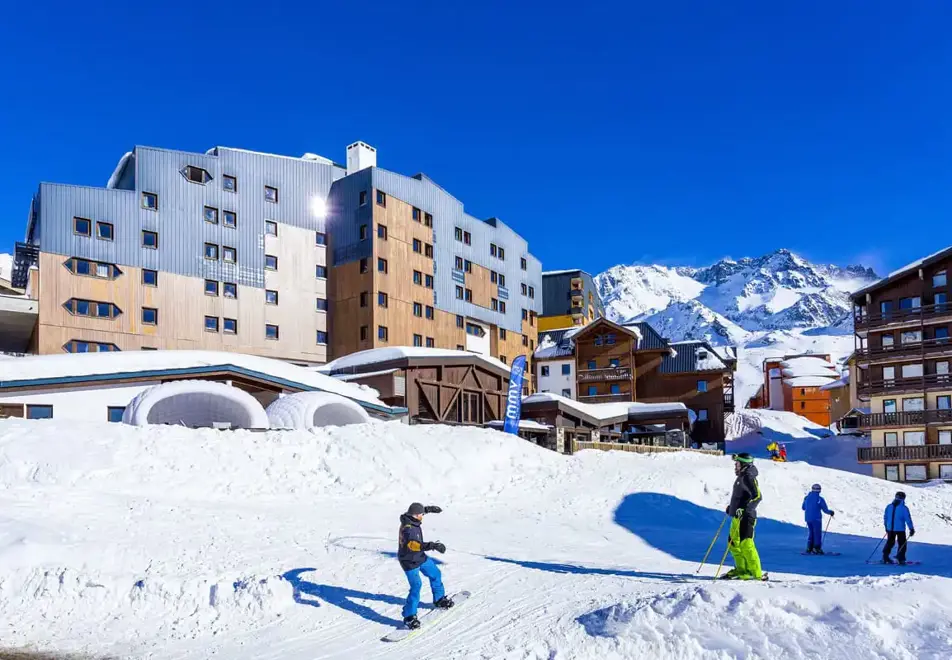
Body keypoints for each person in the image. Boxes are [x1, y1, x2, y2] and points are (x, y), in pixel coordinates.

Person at [398, 502, 454, 629]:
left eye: (423, 514)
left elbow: (415, 512)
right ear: (415, 515)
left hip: (419, 557)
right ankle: (409, 616)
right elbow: (414, 545)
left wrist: (427, 509)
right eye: (421, 514)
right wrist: (433, 545)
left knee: (435, 574)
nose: (422, 516)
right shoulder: (408, 529)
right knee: (416, 586)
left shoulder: (411, 518)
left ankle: (439, 599)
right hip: (409, 561)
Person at [724, 453, 764, 580]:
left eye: (737, 464)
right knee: (733, 543)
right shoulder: (741, 477)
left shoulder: (748, 477)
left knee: (746, 544)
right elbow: (741, 496)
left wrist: (745, 509)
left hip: (746, 517)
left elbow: (757, 496)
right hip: (737, 517)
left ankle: (756, 574)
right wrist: (732, 508)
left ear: (744, 464)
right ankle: (742, 570)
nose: (735, 466)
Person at [883, 491, 915, 565]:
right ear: (903, 498)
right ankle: (900, 558)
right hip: (900, 529)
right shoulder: (904, 508)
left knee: (890, 542)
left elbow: (885, 517)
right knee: (902, 543)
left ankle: (885, 557)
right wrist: (911, 529)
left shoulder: (889, 506)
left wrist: (886, 526)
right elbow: (908, 519)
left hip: (890, 528)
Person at [802, 483, 834, 554]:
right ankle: (816, 548)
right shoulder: (819, 499)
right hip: (816, 519)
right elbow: (825, 510)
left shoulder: (806, 498)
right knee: (817, 533)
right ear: (819, 490)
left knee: (811, 533)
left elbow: (803, 508)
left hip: (808, 519)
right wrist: (830, 512)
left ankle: (809, 548)